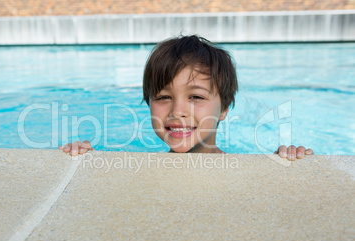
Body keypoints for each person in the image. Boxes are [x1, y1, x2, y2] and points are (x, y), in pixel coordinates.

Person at [59, 35, 313, 161]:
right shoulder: (138, 167)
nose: (177, 110)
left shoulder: (246, 168)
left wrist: (287, 158)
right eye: (163, 96)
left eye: (195, 96)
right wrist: (88, 158)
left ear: (224, 108)